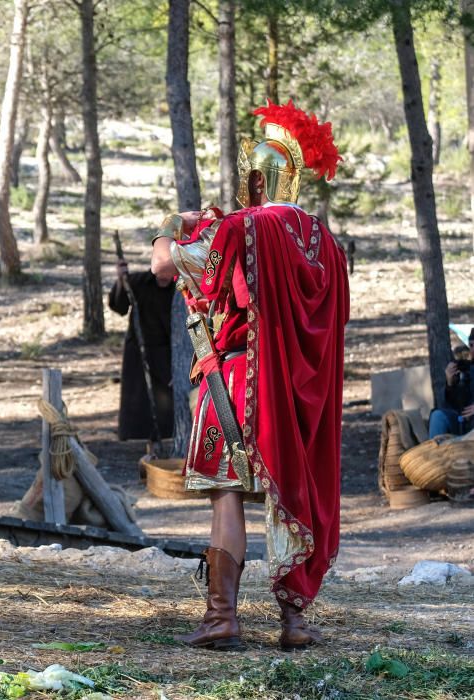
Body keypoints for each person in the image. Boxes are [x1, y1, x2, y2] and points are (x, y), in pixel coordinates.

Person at [150, 100, 349, 651]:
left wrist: (174, 225)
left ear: (256, 175)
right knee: (293, 496)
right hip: (301, 393)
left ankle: (222, 617)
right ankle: (294, 622)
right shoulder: (326, 243)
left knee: (228, 496)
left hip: (240, 383)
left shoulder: (244, 226)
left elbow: (165, 267)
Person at [108, 260, 175, 441]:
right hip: (138, 351)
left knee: (166, 403)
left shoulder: (179, 289)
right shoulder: (138, 282)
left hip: (166, 353)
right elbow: (119, 307)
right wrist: (121, 280)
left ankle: (166, 439)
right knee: (138, 400)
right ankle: (137, 440)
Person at [428, 343, 473, 437]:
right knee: (438, 416)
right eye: (471, 345)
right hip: (462, 424)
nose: (471, 350)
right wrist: (450, 383)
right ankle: (433, 451)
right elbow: (450, 405)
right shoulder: (466, 368)